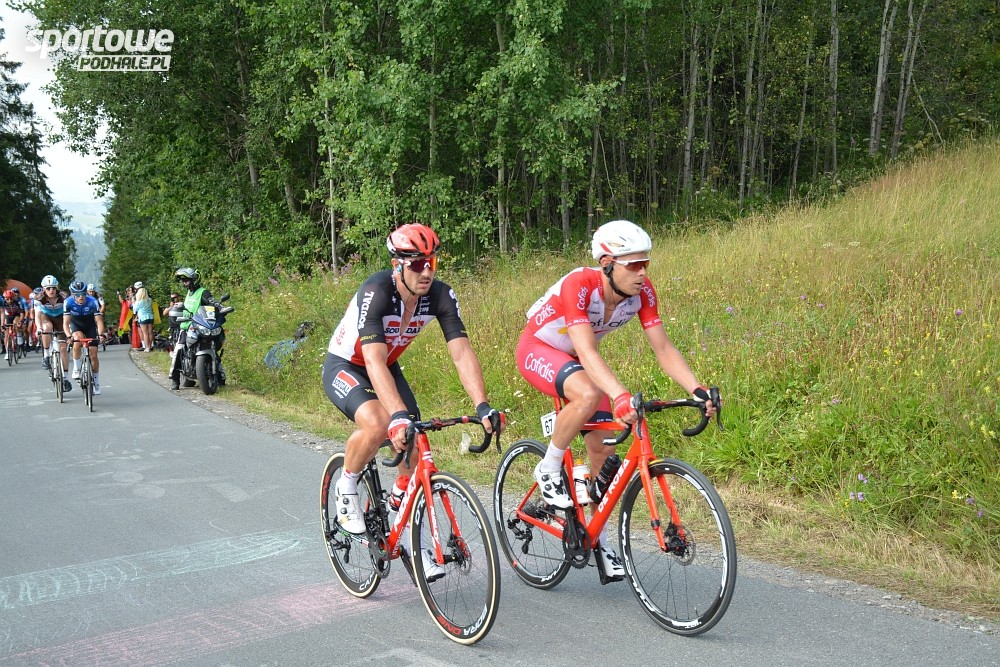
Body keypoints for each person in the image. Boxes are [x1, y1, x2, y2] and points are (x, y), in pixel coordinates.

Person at [516, 219, 719, 580]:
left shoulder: (643, 293)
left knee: (603, 453)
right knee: (589, 392)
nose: (643, 272)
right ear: (607, 264)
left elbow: (663, 348)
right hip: (539, 349)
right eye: (634, 264)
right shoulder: (580, 284)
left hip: (577, 360)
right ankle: (548, 467)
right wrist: (620, 395)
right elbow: (586, 349)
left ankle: (599, 540)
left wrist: (696, 389)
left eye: (646, 263)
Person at [322, 223, 501, 574]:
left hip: (386, 365)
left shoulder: (440, 295)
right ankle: (347, 486)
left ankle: (403, 528)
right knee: (380, 423)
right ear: (397, 265)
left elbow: (461, 352)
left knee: (414, 440)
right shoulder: (376, 291)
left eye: (432, 263)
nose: (427, 272)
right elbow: (373, 360)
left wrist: (482, 405)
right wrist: (397, 415)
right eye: (418, 264)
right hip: (347, 365)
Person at [169, 268, 222, 390]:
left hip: (201, 325)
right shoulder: (189, 293)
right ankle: (175, 378)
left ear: (194, 279)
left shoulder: (203, 292)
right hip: (187, 326)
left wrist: (220, 308)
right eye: (183, 280)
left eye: (186, 279)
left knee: (213, 347)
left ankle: (220, 376)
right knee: (179, 348)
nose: (184, 282)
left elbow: (212, 302)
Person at [63, 280, 106, 395]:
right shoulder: (68, 302)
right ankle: (76, 368)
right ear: (73, 295)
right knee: (78, 339)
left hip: (90, 325)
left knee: (93, 355)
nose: (81, 297)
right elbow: (65, 323)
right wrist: (68, 336)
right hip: (76, 325)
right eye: (77, 295)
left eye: (83, 294)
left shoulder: (92, 301)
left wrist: (101, 334)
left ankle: (96, 382)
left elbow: (99, 321)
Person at [34, 275, 73, 392]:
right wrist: (39, 328)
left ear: (57, 288)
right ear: (44, 289)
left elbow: (70, 314)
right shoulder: (39, 298)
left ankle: (65, 378)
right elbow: (37, 315)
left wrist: (70, 328)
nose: (51, 290)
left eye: (53, 288)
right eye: (48, 288)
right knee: (47, 328)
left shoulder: (64, 296)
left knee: (63, 349)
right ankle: (46, 356)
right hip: (47, 317)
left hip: (61, 318)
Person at [131, 281, 155, 352]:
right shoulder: (149, 300)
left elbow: (134, 310)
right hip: (150, 316)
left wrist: (133, 302)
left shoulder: (139, 302)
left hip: (142, 317)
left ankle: (147, 347)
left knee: (145, 333)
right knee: (150, 332)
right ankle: (151, 346)